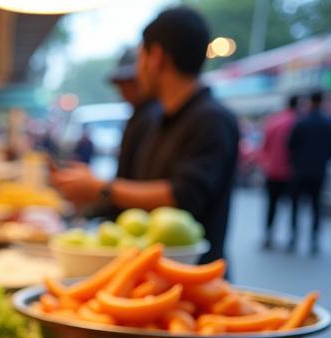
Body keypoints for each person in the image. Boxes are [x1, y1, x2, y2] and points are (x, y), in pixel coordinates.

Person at [51, 7, 239, 263]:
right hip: (145, 272)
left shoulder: (212, 120)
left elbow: (181, 196)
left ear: (156, 57)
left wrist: (101, 189)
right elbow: (133, 193)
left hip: (193, 280)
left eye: (141, 55)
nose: (138, 70)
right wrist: (91, 197)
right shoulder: (156, 120)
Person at [288, 92, 331, 255]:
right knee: (316, 206)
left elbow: (291, 146)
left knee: (296, 205)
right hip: (319, 171)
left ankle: (294, 237)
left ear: (310, 102)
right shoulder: (330, 123)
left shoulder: (302, 122)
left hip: (300, 171)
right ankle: (314, 239)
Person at [110, 46, 160, 182]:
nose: (124, 91)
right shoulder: (138, 115)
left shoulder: (152, 116)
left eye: (129, 83)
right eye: (121, 85)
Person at [258, 97, 299, 250]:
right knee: (294, 207)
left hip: (273, 171)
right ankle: (292, 238)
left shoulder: (274, 122)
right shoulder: (298, 123)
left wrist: (265, 164)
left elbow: (265, 146)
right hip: (292, 173)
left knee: (271, 205)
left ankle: (268, 235)